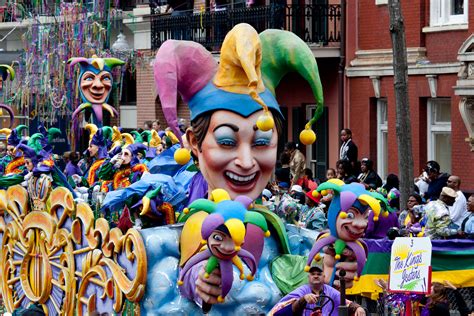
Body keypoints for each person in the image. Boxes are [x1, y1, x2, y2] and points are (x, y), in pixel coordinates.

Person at [271, 259, 366, 316]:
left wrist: (358, 308)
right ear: (309, 277)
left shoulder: (330, 291)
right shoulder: (303, 290)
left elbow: (346, 303)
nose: (316, 276)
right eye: (313, 274)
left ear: (324, 277)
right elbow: (284, 310)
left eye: (319, 274)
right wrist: (303, 300)